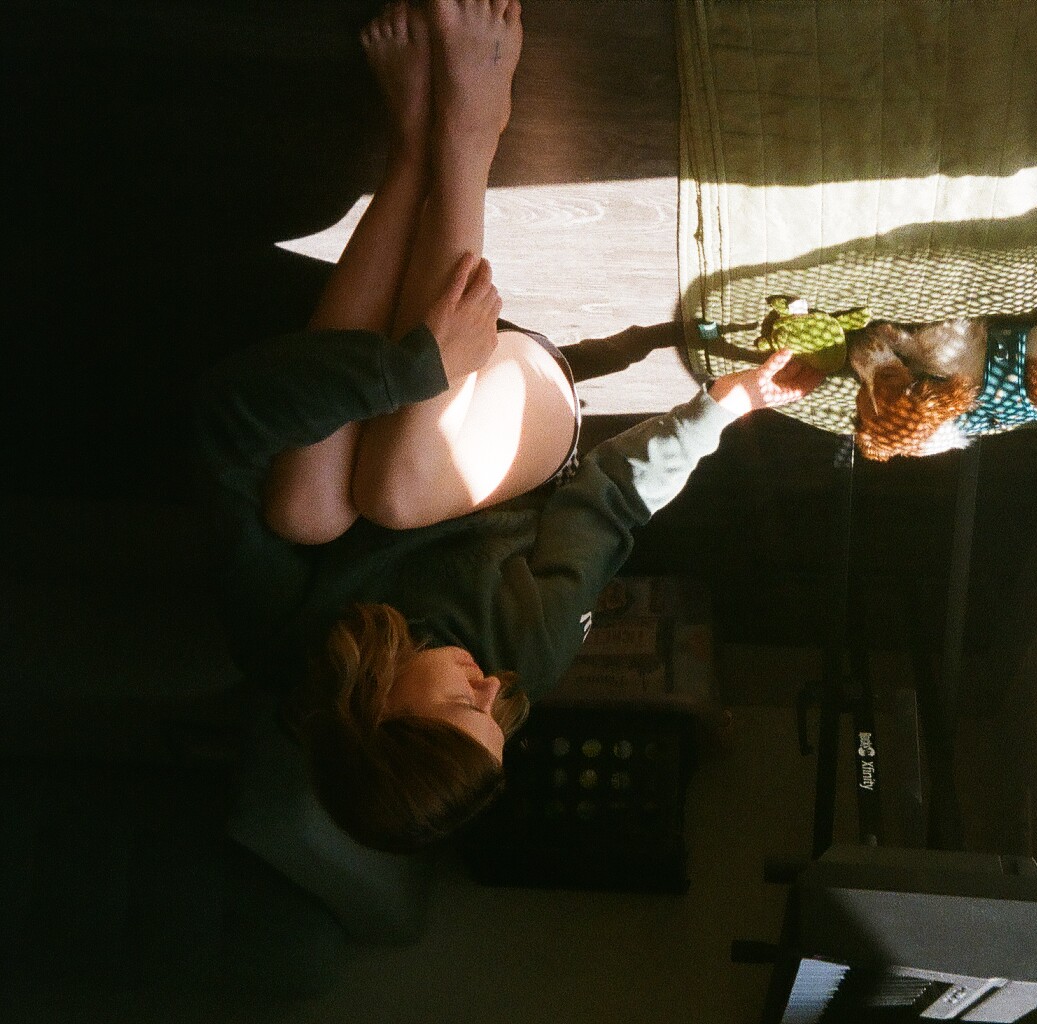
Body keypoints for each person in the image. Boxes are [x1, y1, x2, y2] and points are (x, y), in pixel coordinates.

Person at [192, 0, 823, 853]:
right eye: (497, 717)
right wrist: (729, 405)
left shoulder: (281, 646)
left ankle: (416, 146)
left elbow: (226, 422)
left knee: (306, 508)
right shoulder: (530, 650)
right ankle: (469, 137)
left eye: (465, 707)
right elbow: (609, 504)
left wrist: (410, 368)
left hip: (414, 366)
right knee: (394, 489)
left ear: (374, 714)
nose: (495, 689)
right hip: (519, 404)